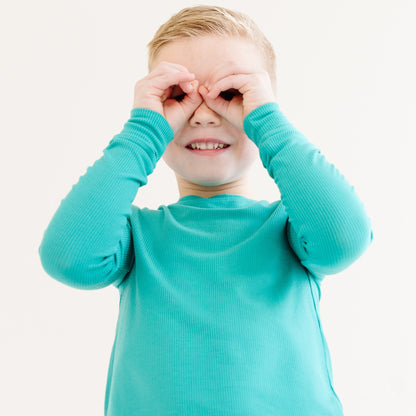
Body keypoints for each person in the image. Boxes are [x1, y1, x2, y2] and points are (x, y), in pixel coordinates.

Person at [38, 5, 373, 416]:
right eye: (177, 96)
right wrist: (144, 130)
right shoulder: (137, 238)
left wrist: (267, 123)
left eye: (232, 93)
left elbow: (344, 237)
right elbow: (68, 257)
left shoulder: (291, 228)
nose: (203, 115)